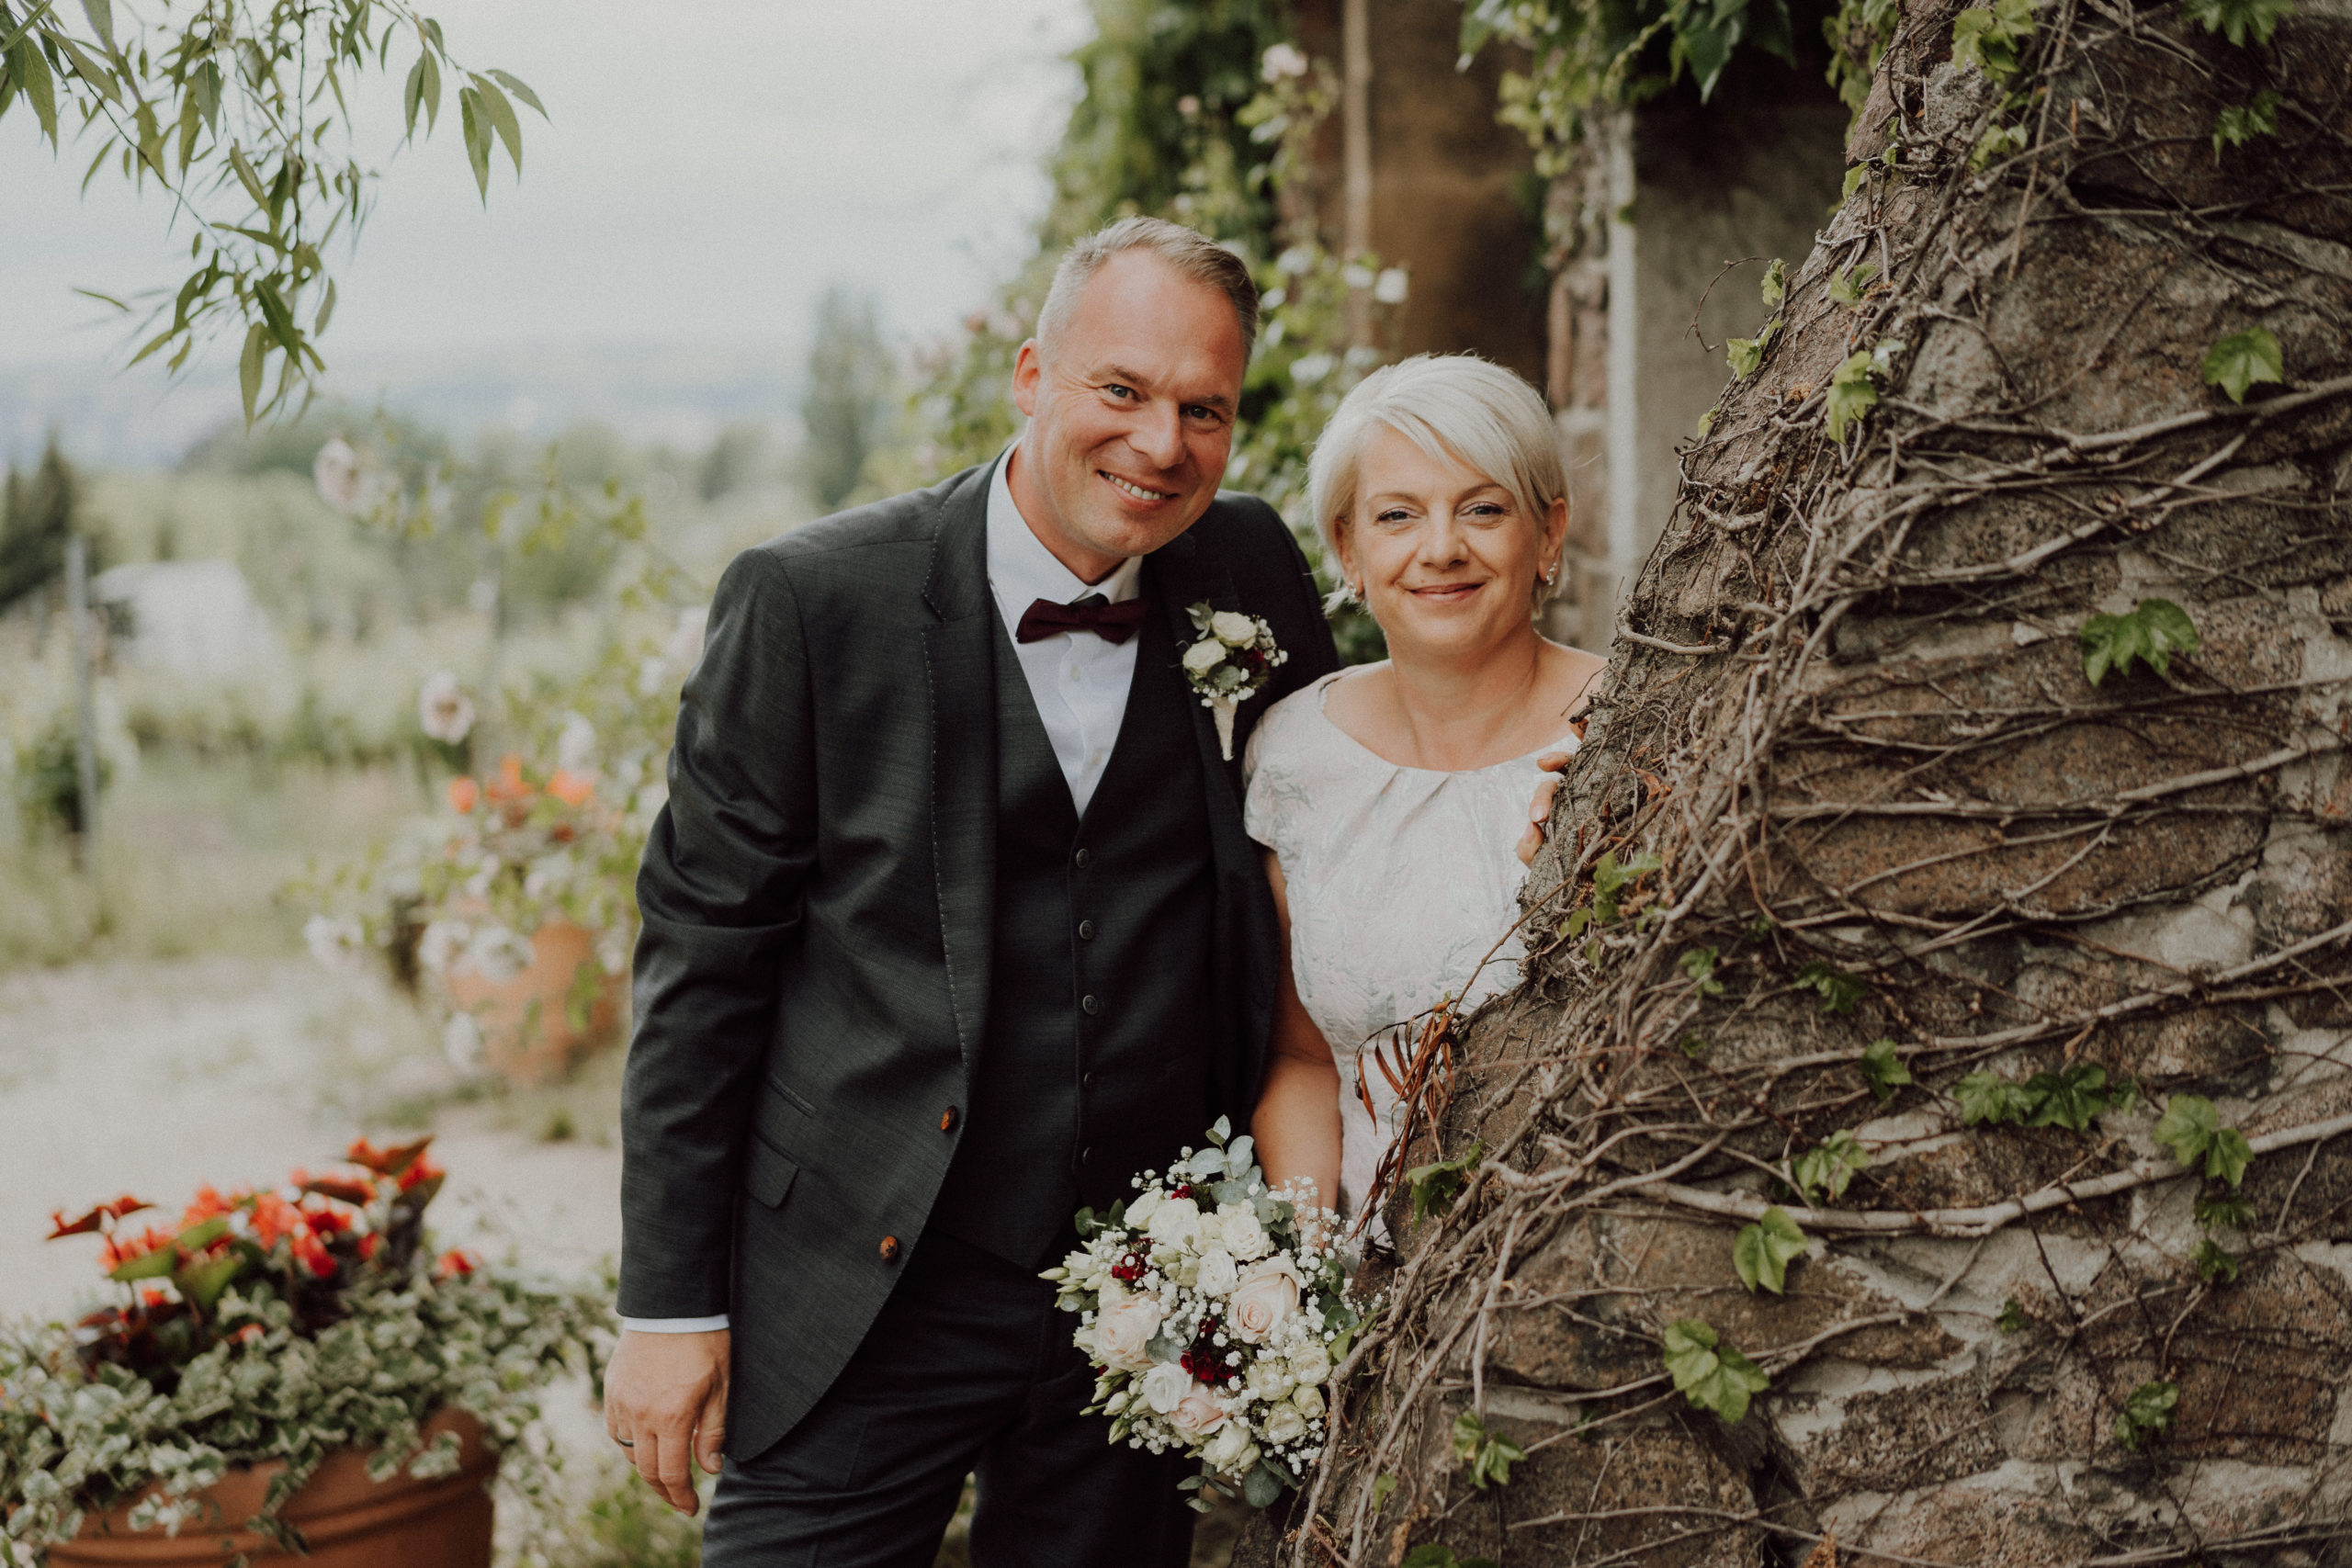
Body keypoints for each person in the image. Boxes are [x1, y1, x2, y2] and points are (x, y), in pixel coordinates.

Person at [602, 216, 1340, 1566]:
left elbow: (1346, 818)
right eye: (1121, 390)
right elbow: (701, 960)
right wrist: (667, 1304)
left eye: (1204, 409)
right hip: (863, 1273)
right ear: (1031, 375)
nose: (1160, 444)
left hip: (1144, 1291)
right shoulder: (814, 601)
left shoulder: (1250, 574)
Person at [1245, 354, 1605, 1227]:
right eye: (1398, 515)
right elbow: (1303, 1059)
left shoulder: (1632, 723)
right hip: (1368, 1306)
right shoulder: (1294, 754)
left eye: (1483, 509)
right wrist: (1304, 1268)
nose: (1441, 547)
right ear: (1348, 549)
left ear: (1549, 534)